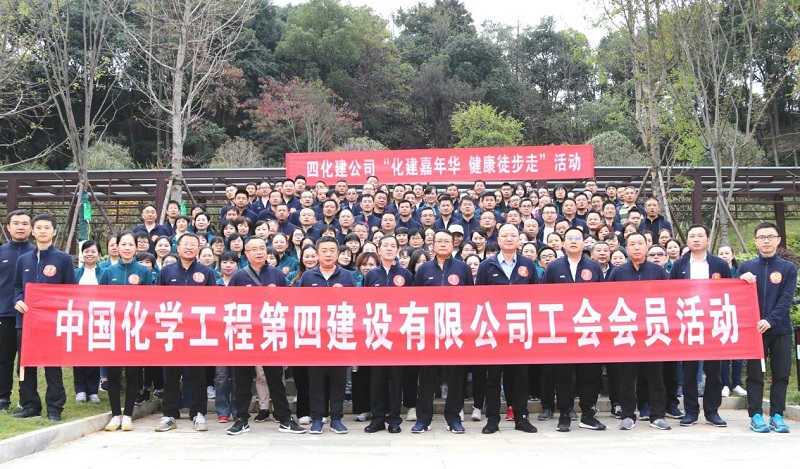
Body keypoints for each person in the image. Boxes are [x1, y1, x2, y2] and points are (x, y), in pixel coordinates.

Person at [224, 237, 307, 436]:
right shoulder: (238, 277)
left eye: (262, 248)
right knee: (243, 379)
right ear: (246, 254)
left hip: (271, 332)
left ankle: (285, 418)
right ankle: (241, 419)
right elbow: (229, 304)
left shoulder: (277, 274)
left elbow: (287, 303)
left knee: (275, 378)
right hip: (246, 332)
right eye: (254, 249)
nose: (259, 252)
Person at [542, 227, 606, 433]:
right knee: (563, 374)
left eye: (577, 238)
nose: (573, 241)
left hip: (587, 328)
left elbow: (601, 297)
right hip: (562, 330)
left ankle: (588, 414)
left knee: (589, 374)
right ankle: (564, 414)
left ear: (583, 243)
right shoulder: (553, 267)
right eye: (569, 238)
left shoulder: (593, 267)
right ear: (563, 243)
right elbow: (545, 297)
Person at [476, 224, 538, 434]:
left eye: (513, 235)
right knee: (493, 377)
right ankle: (492, 419)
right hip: (494, 330)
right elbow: (479, 298)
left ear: (519, 240)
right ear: (498, 239)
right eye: (505, 235)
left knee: (520, 377)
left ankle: (521, 417)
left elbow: (536, 297)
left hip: (520, 329)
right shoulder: (487, 266)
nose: (509, 238)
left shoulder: (528, 265)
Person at [13, 214, 76, 421]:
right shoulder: (23, 260)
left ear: (54, 232)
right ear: (32, 231)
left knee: (52, 366)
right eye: (38, 227)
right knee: (25, 365)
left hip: (52, 323)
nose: (42, 231)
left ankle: (54, 408)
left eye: (47, 227)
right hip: (26, 321)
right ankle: (30, 405)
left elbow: (71, 291)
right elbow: (17, 287)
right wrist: (18, 300)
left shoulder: (63, 259)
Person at [411, 229, 473, 434]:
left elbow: (471, 298)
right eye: (440, 241)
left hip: (455, 329)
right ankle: (423, 419)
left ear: (453, 244)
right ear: (433, 245)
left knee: (456, 376)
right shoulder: (424, 269)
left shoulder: (463, 268)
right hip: (430, 329)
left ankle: (454, 418)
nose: (443, 244)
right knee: (427, 376)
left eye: (447, 241)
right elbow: (416, 299)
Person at [154, 233, 217, 432]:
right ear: (178, 247)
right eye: (185, 244)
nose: (189, 248)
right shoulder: (167, 272)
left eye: (193, 245)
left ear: (198, 248)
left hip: (197, 332)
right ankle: (169, 414)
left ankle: (198, 413)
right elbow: (158, 300)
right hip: (172, 330)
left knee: (198, 375)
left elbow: (214, 302)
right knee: (170, 375)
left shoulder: (206, 272)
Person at [738, 222, 797, 433]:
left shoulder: (788, 268)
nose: (766, 241)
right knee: (755, 374)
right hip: (754, 332)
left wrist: (770, 320)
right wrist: (739, 279)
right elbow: (735, 296)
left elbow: (786, 298)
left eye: (770, 237)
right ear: (755, 241)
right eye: (762, 237)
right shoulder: (746, 268)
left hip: (780, 329)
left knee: (781, 374)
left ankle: (777, 415)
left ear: (778, 240)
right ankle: (755, 415)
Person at [608, 232, 671, 431]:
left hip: (653, 330)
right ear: (626, 248)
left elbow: (668, 297)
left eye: (640, 244)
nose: (636, 247)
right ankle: (628, 415)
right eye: (632, 244)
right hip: (627, 331)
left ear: (647, 247)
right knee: (627, 377)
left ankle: (657, 415)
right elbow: (608, 300)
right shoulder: (617, 273)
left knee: (656, 376)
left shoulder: (658, 271)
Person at [668, 224, 730, 428]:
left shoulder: (719, 264)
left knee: (713, 371)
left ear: (708, 240)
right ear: (687, 241)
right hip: (688, 322)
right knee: (689, 371)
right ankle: (691, 411)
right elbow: (671, 293)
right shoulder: (679, 265)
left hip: (713, 323)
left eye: (700, 236)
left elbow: (730, 291)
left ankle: (712, 411)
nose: (696, 239)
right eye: (692, 236)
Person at [298, 236, 356, 434]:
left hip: (339, 335)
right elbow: (301, 305)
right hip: (316, 336)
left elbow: (354, 305)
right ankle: (317, 418)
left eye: (332, 250)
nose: (328, 254)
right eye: (324, 251)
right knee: (316, 380)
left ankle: (336, 418)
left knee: (338, 380)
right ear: (317, 254)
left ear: (338, 254)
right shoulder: (308, 277)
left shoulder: (347, 277)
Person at [98, 231, 154, 431]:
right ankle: (115, 414)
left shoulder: (144, 271)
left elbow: (150, 300)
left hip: (135, 329)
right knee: (113, 374)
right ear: (117, 246)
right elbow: (100, 300)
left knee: (132, 373)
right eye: (124, 244)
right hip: (113, 330)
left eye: (131, 244)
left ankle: (128, 414)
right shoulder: (108, 272)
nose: (127, 248)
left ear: (136, 247)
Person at [363, 235, 413, 434]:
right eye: (386, 246)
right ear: (379, 249)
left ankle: (394, 419)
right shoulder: (371, 275)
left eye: (393, 246)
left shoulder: (406, 275)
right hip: (377, 333)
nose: (389, 249)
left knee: (396, 379)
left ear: (398, 250)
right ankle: (377, 419)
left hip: (398, 334)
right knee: (377, 379)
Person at [0, 210, 33, 413]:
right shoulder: (2, 252)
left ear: (31, 228)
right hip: (5, 314)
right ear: (8, 227)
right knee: (4, 358)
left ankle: (26, 398)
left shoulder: (37, 254)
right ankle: (3, 397)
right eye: (16, 223)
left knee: (26, 360)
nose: (20, 227)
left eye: (24, 223)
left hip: (30, 316)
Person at [73, 240, 105, 404]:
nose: (89, 254)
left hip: (98, 317)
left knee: (94, 353)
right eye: (86, 251)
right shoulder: (75, 273)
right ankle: (80, 389)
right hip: (79, 317)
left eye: (93, 251)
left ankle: (93, 390)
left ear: (99, 254)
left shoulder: (105, 272)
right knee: (78, 353)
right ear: (82, 254)